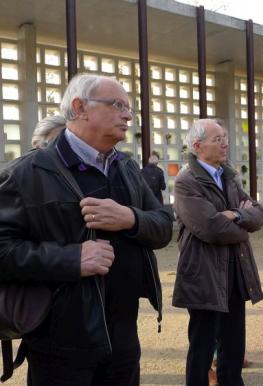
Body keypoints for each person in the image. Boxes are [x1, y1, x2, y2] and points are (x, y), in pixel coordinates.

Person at [0, 73, 174, 385]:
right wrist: (71, 259)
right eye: (117, 104)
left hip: (123, 342)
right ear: (80, 107)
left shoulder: (128, 169)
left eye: (129, 107)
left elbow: (163, 225)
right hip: (58, 347)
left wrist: (131, 218)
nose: (128, 114)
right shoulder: (24, 175)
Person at [172, 118, 263, 386]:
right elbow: (210, 228)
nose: (225, 143)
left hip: (235, 268)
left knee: (234, 341)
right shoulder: (186, 181)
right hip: (203, 273)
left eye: (225, 137)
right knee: (202, 343)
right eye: (218, 139)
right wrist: (242, 222)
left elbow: (258, 213)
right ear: (198, 146)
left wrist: (235, 214)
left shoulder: (229, 175)